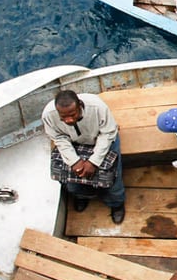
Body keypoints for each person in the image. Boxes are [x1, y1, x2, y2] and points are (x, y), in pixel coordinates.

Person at [43, 90, 125, 224]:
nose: (68, 120)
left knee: (112, 177)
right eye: (63, 117)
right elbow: (58, 137)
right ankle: (82, 196)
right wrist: (74, 161)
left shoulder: (98, 107)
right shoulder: (48, 114)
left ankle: (116, 204)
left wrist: (93, 162)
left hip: (103, 139)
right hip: (73, 143)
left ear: (80, 105)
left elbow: (108, 133)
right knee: (72, 181)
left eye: (72, 115)